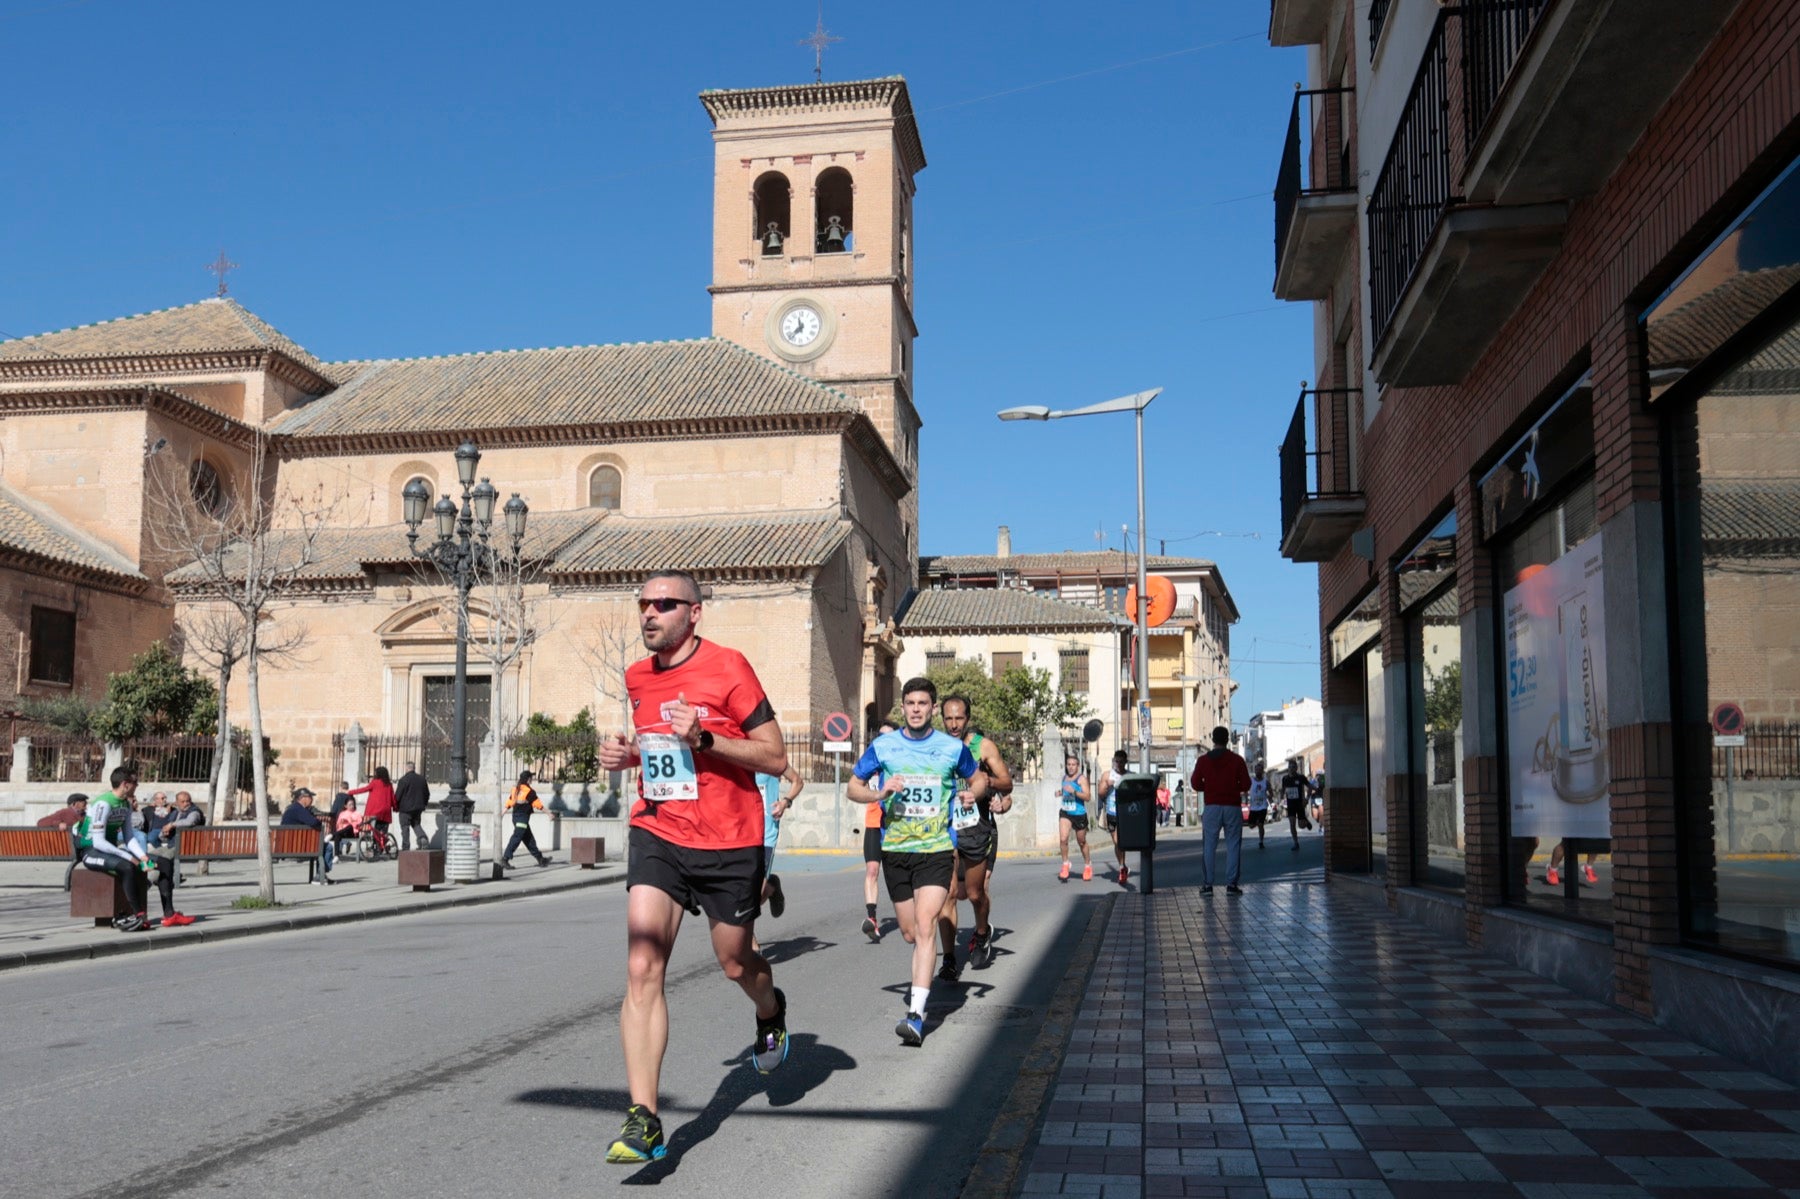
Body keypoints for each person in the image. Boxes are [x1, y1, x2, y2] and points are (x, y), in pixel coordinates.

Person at [596, 570, 791, 1164]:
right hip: (659, 830)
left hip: (730, 839)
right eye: (643, 604)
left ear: (694, 612)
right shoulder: (636, 676)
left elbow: (776, 756)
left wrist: (705, 738)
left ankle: (771, 1011)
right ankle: (645, 1119)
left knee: (735, 963)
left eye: (664, 603)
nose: (649, 613)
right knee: (641, 965)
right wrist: (629, 755)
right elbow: (661, 750)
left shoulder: (729, 667)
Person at [848, 677, 985, 1046]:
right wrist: (880, 793)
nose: (916, 709)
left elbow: (979, 779)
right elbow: (852, 787)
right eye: (910, 703)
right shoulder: (884, 746)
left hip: (936, 849)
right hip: (896, 850)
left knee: (926, 926)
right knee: (910, 932)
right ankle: (920, 989)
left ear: (932, 708)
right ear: (903, 707)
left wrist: (972, 793)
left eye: (923, 703)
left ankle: (916, 1015)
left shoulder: (951, 748)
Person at [937, 694, 1012, 978]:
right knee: (948, 894)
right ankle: (949, 959)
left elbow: (1007, 783)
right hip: (945, 829)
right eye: (948, 718)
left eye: (959, 718)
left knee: (974, 893)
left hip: (976, 829)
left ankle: (981, 933)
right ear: (942, 719)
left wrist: (984, 781)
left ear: (967, 718)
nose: (954, 724)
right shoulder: (936, 745)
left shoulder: (983, 746)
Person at [77, 768, 153, 932]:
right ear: (125, 784)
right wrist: (129, 857)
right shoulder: (103, 804)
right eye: (135, 782)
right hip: (91, 851)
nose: (137, 786)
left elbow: (129, 836)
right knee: (127, 866)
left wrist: (142, 856)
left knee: (162, 862)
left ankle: (169, 914)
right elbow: (98, 842)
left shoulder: (125, 804)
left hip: (108, 850)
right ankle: (138, 914)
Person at [1191, 725, 1251, 896]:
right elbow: (1246, 784)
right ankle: (1231, 885)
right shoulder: (1237, 760)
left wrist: (1209, 787)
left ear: (1213, 740)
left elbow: (1195, 783)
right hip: (1232, 806)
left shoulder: (1203, 761)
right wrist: (1233, 787)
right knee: (1233, 845)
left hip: (1211, 806)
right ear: (1228, 740)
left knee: (1209, 846)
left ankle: (1208, 885)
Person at [859, 720, 898, 942]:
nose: (883, 740)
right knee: (872, 870)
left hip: (895, 825)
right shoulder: (871, 763)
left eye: (888, 736)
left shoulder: (900, 762)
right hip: (874, 822)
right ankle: (871, 918)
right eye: (879, 736)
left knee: (896, 875)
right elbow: (857, 785)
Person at [758, 764, 803, 920]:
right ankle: (770, 886)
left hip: (766, 834)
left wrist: (785, 802)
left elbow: (797, 781)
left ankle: (769, 887)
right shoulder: (736, 758)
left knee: (753, 898)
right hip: (741, 833)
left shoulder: (770, 759)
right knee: (743, 897)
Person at [280, 787, 335, 884]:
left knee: (322, 846)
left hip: (289, 845)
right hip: (298, 847)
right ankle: (320, 875)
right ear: (303, 798)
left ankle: (321, 875)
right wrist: (317, 820)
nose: (312, 799)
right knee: (328, 847)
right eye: (310, 797)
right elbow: (314, 822)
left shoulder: (292, 808)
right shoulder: (299, 809)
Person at [501, 770, 551, 868]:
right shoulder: (529, 791)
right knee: (516, 837)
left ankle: (541, 859)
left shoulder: (515, 789)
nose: (532, 779)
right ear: (528, 779)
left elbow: (510, 802)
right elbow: (538, 805)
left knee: (529, 839)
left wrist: (503, 812)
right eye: (531, 778)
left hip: (515, 817)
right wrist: (549, 813)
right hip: (522, 818)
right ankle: (505, 859)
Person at [1056, 753, 1093, 881]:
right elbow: (1066, 791)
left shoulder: (1081, 779)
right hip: (1065, 812)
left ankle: (1087, 865)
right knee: (1063, 839)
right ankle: (1065, 864)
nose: (1071, 767)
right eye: (1069, 764)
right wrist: (1060, 793)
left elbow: (1087, 797)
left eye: (1073, 765)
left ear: (1078, 766)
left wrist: (1075, 792)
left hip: (1079, 814)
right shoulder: (1064, 777)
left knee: (1081, 841)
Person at [1096, 749, 1130, 883]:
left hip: (1125, 813)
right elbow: (1100, 794)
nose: (1119, 764)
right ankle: (1122, 867)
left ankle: (1122, 867)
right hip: (1112, 812)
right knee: (1117, 842)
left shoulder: (1130, 776)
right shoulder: (1107, 775)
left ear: (1126, 762)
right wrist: (1106, 785)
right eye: (1117, 761)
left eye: (1121, 762)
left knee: (1121, 842)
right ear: (1114, 761)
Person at [347, 766, 395, 853]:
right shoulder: (389, 784)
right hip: (386, 812)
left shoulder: (375, 782)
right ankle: (382, 846)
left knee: (375, 831)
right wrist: (396, 807)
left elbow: (364, 789)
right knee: (383, 832)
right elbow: (393, 798)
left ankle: (376, 848)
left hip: (376, 811)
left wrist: (351, 792)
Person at [393, 761, 431, 851]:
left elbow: (397, 796)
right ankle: (422, 838)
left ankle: (406, 847)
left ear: (407, 768)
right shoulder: (422, 779)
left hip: (405, 809)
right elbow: (427, 793)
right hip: (418, 808)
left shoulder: (403, 780)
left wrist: (395, 806)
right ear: (414, 768)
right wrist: (424, 804)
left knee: (405, 827)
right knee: (416, 824)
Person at [1281, 761, 1310, 849]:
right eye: (1290, 767)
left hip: (1300, 804)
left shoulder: (1301, 777)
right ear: (1288, 768)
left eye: (1293, 767)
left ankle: (1306, 822)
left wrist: (1307, 799)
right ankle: (1296, 843)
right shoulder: (1285, 778)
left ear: (1296, 768)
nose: (1291, 769)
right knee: (1292, 824)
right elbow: (1283, 790)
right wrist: (1282, 800)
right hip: (1290, 805)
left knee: (1301, 825)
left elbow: (1310, 787)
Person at [1246, 770, 1270, 848]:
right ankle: (1257, 822)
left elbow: (1271, 792)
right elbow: (1246, 789)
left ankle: (1261, 842)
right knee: (1251, 825)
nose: (1258, 772)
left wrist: (1269, 796)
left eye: (1259, 770)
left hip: (1263, 806)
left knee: (1261, 825)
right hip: (1253, 807)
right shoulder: (1251, 781)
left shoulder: (1266, 782)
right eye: (1256, 770)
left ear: (1262, 771)